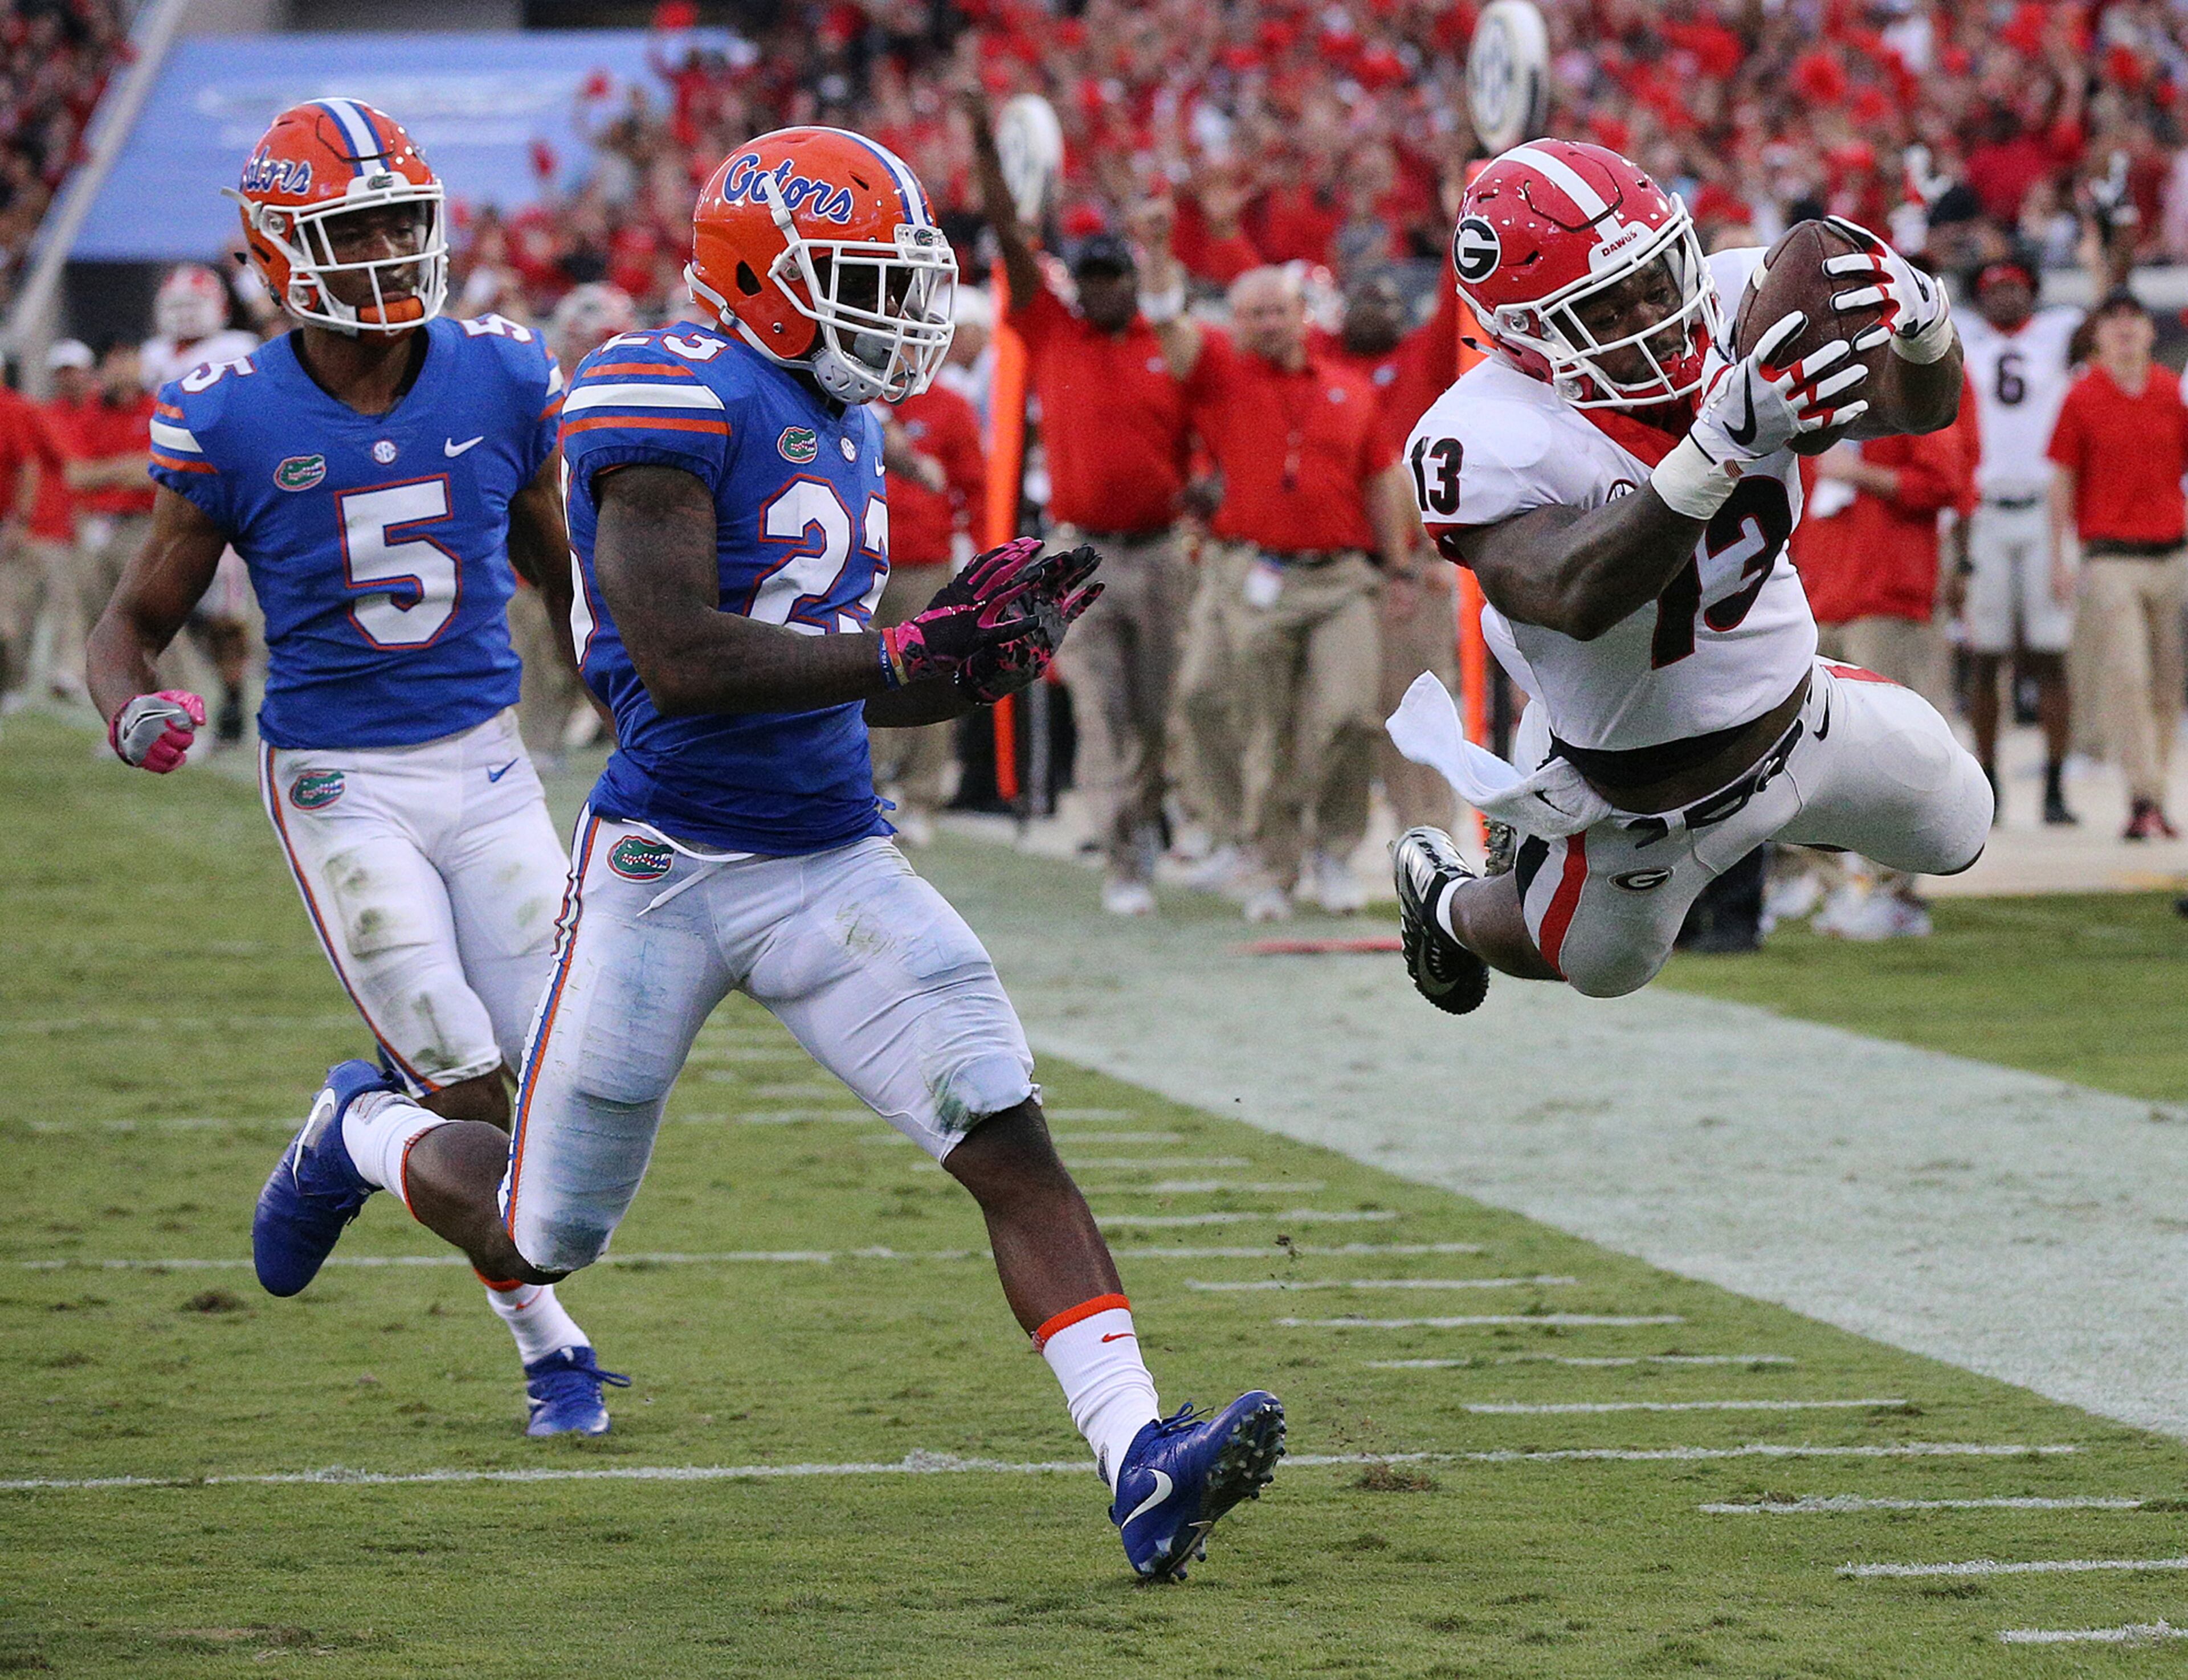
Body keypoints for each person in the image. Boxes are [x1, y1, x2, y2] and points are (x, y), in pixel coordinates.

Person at [243, 125, 1283, 1582]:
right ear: (759, 276)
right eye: (857, 277)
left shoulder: (833, 401)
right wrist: (903, 655)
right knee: (544, 1234)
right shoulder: (661, 388)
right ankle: (361, 1131)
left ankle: (1137, 1457)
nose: (893, 310)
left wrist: (954, 651)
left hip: (831, 856)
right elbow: (674, 656)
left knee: (1006, 1135)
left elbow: (837, 649)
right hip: (662, 865)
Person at [86, 99, 622, 1436]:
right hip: (340, 780)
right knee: (465, 1089)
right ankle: (544, 1338)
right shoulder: (228, 411)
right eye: (355, 227)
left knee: (561, 1102)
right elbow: (129, 623)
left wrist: (642, 680)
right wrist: (128, 705)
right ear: (280, 252)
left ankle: (349, 1132)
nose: (391, 249)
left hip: (489, 763)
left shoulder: (498, 370)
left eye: (403, 220)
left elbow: (565, 567)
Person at [1386, 140, 1989, 1011]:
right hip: (1635, 805)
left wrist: (1926, 330)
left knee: (1961, 827)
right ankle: (1442, 900)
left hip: (1802, 718)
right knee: (1595, 965)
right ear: (1526, 337)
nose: (1655, 314)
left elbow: (1916, 407)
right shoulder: (1484, 432)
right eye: (1606, 305)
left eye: (1659, 277)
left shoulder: (1747, 297)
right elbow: (1569, 594)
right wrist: (1717, 450)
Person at [1140, 226, 1418, 921]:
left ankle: (1332, 847)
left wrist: (1403, 568)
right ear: (1235, 323)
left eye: (1278, 310)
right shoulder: (1221, 376)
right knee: (1258, 723)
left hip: (1340, 578)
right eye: (1253, 312)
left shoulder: (1351, 389)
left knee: (1351, 716)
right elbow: (1170, 329)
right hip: (1252, 571)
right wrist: (1156, 252)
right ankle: (1266, 857)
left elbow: (1382, 477)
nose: (1267, 322)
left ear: (1303, 315)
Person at [966, 91, 1197, 914]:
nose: (1099, 291)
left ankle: (1147, 822)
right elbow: (1005, 238)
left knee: (1164, 712)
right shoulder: (1052, 330)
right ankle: (1125, 855)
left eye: (1112, 278)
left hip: (1164, 550)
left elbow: (1209, 424)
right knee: (1099, 710)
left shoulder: (1166, 345)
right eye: (1090, 278)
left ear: (1132, 282)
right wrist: (984, 148)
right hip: (1086, 554)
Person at [1783, 416, 1974, 938]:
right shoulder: (1818, 406)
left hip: (1887, 594)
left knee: (1892, 754)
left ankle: (1896, 892)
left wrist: (1863, 475)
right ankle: (1830, 880)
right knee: (1806, 753)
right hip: (1822, 594)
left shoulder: (1907, 400)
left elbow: (1946, 484)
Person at [1315, 265, 1464, 833]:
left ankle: (1429, 829)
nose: (1374, 309)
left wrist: (1461, 223)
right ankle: (1328, 840)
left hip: (1412, 561)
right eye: (1363, 299)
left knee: (1419, 701)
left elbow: (1455, 307)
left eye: (1387, 302)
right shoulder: (1322, 363)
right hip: (1337, 565)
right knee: (1346, 712)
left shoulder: (1419, 361)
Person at [2047, 287, 2188, 840]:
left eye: (2134, 319)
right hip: (2110, 555)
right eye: (2114, 320)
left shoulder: (2170, 393)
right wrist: (2061, 556)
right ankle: (2144, 793)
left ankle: (2153, 792)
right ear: (2099, 334)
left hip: (2170, 550)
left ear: (2150, 333)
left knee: (2167, 684)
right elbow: (2063, 479)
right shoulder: (2083, 398)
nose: (2126, 329)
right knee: (2128, 675)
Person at [1953, 255, 2081, 825]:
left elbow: (2107, 312)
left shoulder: (2057, 335)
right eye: (1993, 287)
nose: (2004, 294)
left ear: (2033, 290)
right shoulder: (1968, 345)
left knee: (2051, 654)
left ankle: (2055, 784)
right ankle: (1989, 782)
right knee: (1986, 657)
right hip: (1985, 508)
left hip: (2043, 509)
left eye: (2014, 285)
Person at [142, 261, 268, 745]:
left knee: (225, 612)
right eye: (175, 306)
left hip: (222, 492)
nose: (184, 316)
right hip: (168, 494)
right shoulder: (152, 354)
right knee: (178, 607)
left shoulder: (236, 348)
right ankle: (220, 686)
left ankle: (235, 696)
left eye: (192, 305)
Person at [872, 336, 985, 844]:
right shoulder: (844, 398)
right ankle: (865, 792)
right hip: (856, 561)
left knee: (926, 678)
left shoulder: (948, 405)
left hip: (921, 561)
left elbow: (975, 485)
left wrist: (984, 561)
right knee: (852, 681)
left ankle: (921, 796)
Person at [23, 340, 93, 700]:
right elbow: (77, 464)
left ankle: (70, 669)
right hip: (53, 523)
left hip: (89, 521)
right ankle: (61, 669)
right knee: (56, 601)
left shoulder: (99, 412)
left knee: (77, 600)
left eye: (74, 371)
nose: (69, 380)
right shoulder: (49, 415)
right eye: (61, 373)